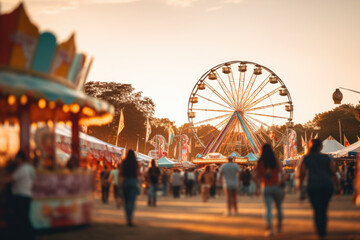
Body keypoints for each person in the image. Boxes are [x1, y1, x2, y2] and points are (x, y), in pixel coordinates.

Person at [299, 139, 340, 239]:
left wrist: (301, 189)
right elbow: (333, 172)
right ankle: (323, 230)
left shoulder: (306, 158)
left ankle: (320, 231)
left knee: (317, 209)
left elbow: (301, 174)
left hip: (313, 185)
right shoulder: (326, 157)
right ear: (320, 147)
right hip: (327, 185)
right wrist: (338, 186)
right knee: (324, 208)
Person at [0, 150, 36, 240]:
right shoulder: (30, 168)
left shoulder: (22, 169)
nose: (16, 161)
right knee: (24, 218)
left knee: (21, 218)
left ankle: (26, 237)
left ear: (20, 159)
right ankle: (28, 236)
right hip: (26, 195)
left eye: (17, 159)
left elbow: (10, 179)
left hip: (20, 196)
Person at [255, 144, 284, 237]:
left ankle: (269, 228)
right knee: (279, 207)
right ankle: (279, 226)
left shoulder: (260, 162)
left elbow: (257, 176)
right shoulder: (275, 159)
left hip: (266, 187)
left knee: (268, 209)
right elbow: (281, 172)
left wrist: (257, 188)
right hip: (276, 185)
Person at [121, 149, 140, 226]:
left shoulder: (124, 162)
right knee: (132, 201)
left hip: (125, 181)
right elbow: (138, 173)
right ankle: (130, 217)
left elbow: (121, 173)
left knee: (126, 201)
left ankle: (127, 216)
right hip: (133, 181)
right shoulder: (136, 163)